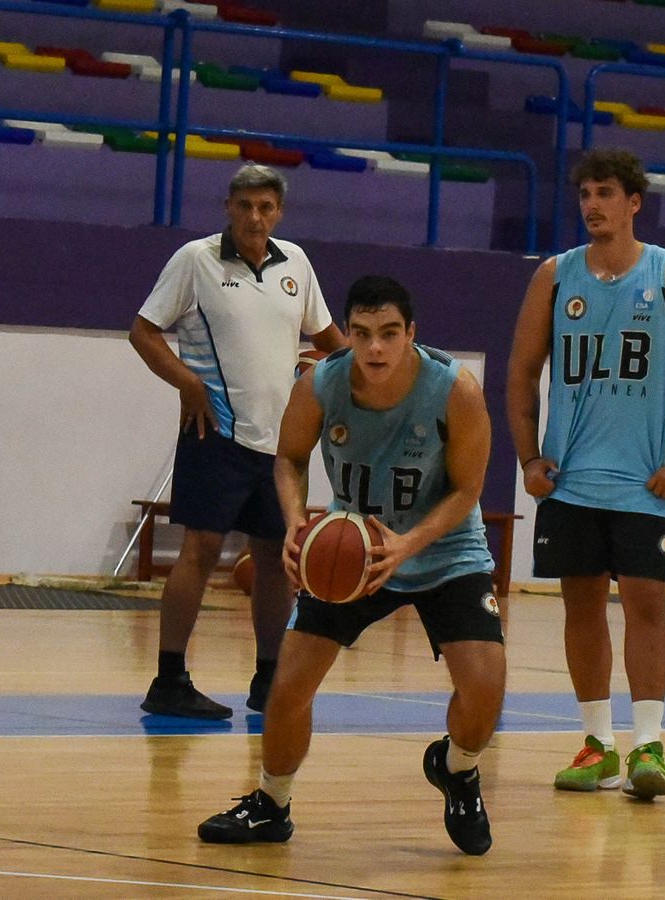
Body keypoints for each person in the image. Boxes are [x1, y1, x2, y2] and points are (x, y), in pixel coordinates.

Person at [197, 275, 505, 856]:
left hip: (442, 548)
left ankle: (457, 769)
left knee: (486, 688)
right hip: (353, 546)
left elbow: (468, 490)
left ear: (412, 333)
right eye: (362, 334)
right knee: (287, 686)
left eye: (389, 334)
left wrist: (409, 544)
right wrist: (295, 523)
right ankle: (272, 804)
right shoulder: (321, 384)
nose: (375, 349)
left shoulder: (454, 390)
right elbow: (288, 459)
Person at [505, 148, 665, 799]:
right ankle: (597, 744)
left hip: (641, 484)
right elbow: (520, 370)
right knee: (579, 609)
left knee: (645, 606)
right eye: (586, 195)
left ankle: (649, 746)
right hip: (570, 481)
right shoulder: (554, 275)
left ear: (634, 202)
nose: (594, 205)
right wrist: (527, 457)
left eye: (606, 193)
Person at [130, 164, 346, 720]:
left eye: (266, 208)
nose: (255, 217)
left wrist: (327, 377)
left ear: (279, 212)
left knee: (276, 560)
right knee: (199, 552)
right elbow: (144, 331)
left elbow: (332, 344)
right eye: (245, 205)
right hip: (216, 432)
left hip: (282, 447)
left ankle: (269, 679)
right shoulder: (195, 260)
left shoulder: (296, 263)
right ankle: (170, 679)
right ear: (228, 205)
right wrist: (187, 381)